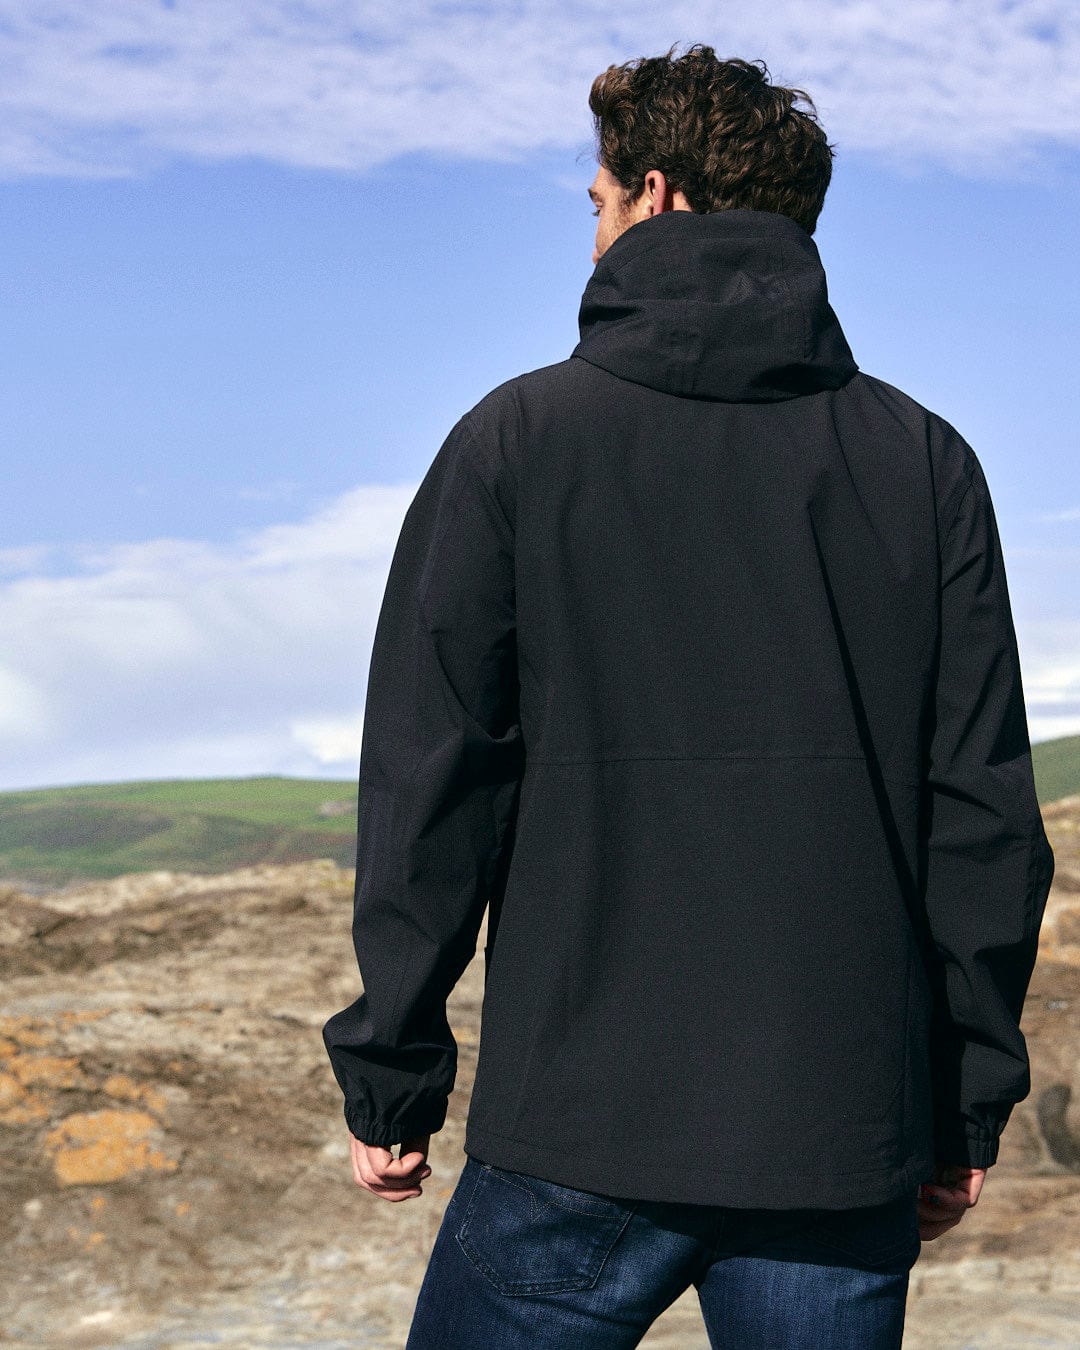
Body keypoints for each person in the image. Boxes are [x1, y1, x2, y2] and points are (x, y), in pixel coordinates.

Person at [321, 45, 1055, 1348]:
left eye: (594, 205)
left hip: (578, 1130)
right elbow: (983, 816)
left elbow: (433, 779)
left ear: (654, 198)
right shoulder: (925, 465)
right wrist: (964, 1100)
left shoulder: (516, 442)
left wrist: (394, 1070)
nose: (591, 233)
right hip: (838, 1134)